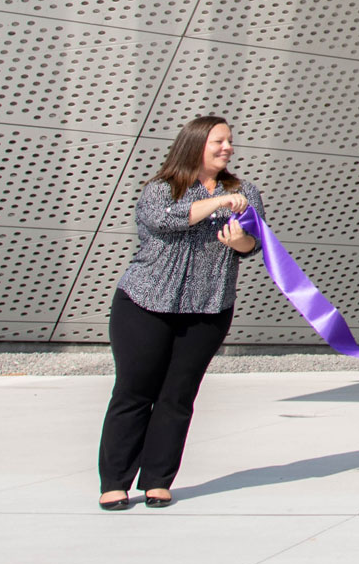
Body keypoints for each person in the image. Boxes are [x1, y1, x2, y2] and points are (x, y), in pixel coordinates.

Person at [97, 116, 262, 510]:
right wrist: (219, 203)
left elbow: (255, 244)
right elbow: (165, 221)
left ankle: (158, 480)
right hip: (146, 303)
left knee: (178, 397)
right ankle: (115, 481)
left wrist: (241, 240)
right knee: (134, 393)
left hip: (208, 307)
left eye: (229, 142)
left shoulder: (245, 191)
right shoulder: (162, 189)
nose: (227, 148)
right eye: (218, 142)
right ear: (195, 145)